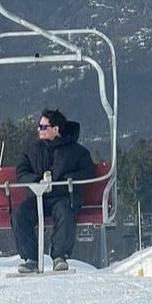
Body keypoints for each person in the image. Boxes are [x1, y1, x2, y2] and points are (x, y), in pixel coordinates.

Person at [13, 109, 95, 273]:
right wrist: (36, 181)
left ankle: (59, 256)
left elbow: (87, 171)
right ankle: (31, 258)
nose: (39, 130)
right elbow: (21, 171)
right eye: (39, 126)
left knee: (65, 211)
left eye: (43, 127)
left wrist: (67, 180)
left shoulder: (76, 152)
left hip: (62, 196)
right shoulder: (32, 151)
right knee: (20, 213)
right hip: (38, 196)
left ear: (56, 129)